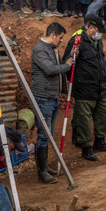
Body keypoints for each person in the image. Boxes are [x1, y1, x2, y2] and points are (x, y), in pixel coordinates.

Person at [62, 14, 106, 162]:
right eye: (98, 30)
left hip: (99, 87)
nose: (100, 34)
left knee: (105, 114)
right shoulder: (77, 40)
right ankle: (85, 147)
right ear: (90, 27)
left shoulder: (98, 41)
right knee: (83, 120)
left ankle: (100, 142)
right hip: (84, 88)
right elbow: (67, 61)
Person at [31, 22, 73, 184]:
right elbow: (50, 69)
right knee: (43, 135)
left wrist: (68, 60)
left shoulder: (51, 49)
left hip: (52, 97)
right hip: (43, 98)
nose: (61, 41)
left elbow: (57, 65)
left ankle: (45, 167)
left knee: (48, 135)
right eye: (60, 38)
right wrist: (67, 66)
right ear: (53, 35)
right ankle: (42, 172)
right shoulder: (39, 50)